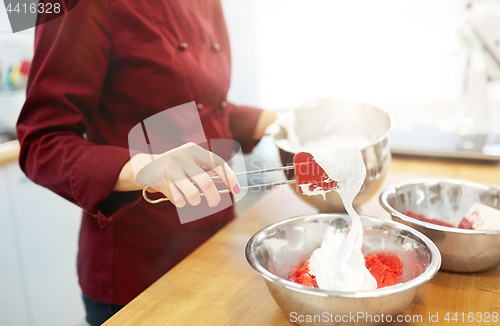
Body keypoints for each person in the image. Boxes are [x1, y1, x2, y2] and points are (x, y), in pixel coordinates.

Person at [16, 1, 276, 325]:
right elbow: (43, 142)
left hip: (216, 242)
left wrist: (278, 119)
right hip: (139, 269)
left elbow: (204, 107)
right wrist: (143, 167)